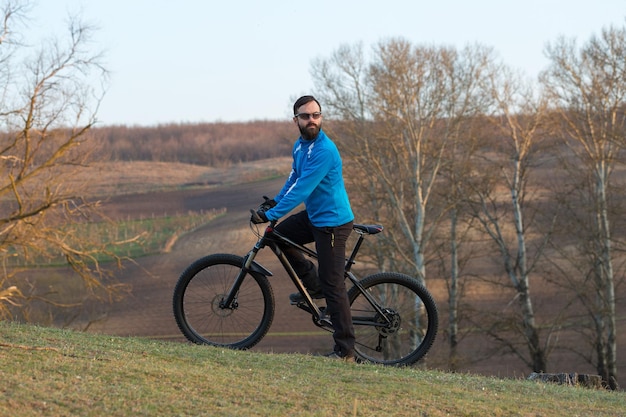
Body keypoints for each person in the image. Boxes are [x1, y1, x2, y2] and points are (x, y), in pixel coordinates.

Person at [250, 95, 356, 362]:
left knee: (334, 285)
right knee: (277, 236)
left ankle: (346, 351)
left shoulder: (324, 151)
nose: (312, 120)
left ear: (321, 117)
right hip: (316, 217)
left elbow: (303, 190)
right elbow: (294, 180)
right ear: (295, 119)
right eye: (306, 116)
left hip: (333, 223)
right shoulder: (300, 146)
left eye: (316, 115)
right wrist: (274, 201)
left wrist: (272, 213)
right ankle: (314, 286)